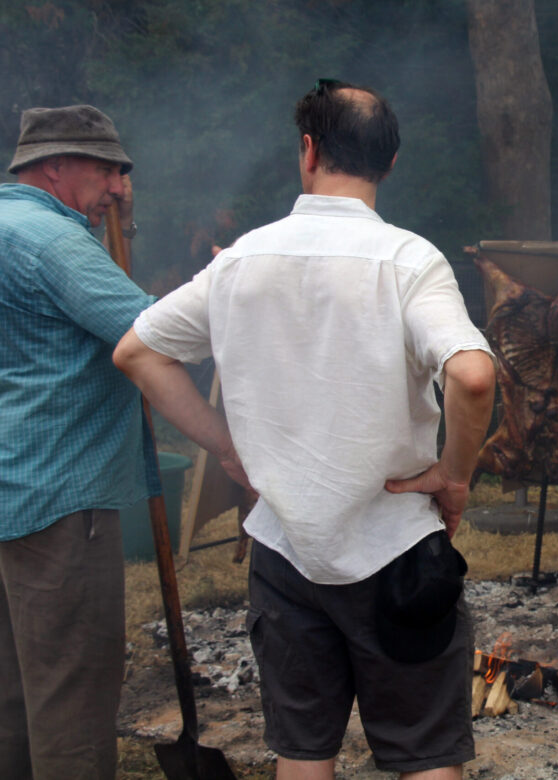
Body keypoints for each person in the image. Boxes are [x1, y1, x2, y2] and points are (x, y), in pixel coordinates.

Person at [114, 80, 495, 780]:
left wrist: (226, 447)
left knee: (303, 754)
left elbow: (138, 353)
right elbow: (472, 376)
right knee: (425, 757)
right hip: (396, 554)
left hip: (284, 552)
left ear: (309, 150)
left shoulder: (240, 261)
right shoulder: (410, 262)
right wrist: (454, 475)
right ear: (391, 161)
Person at [0, 104, 154, 779]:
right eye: (107, 170)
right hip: (61, 498)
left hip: (12, 485)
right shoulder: (53, 242)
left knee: (14, 692)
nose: (118, 187)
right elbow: (150, 333)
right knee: (72, 702)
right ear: (56, 166)